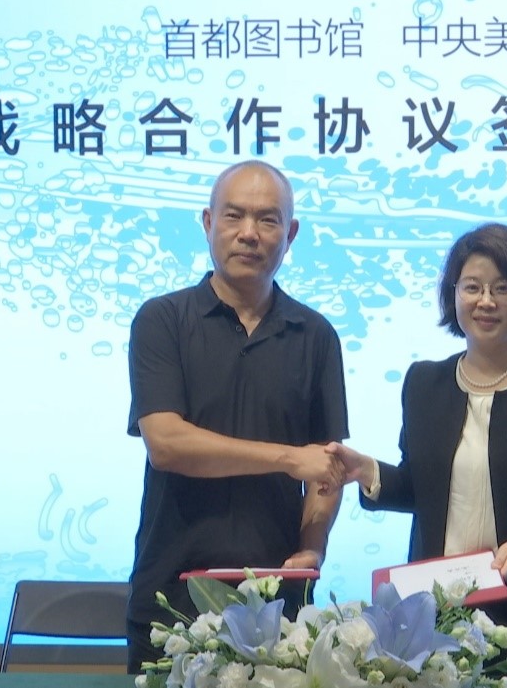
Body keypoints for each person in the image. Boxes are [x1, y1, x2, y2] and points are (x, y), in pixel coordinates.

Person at [332, 223, 507, 674]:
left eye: (503, 288)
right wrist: (368, 472)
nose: (486, 301)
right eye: (472, 287)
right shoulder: (424, 383)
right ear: (454, 295)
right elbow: (427, 487)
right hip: (435, 610)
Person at [124, 160, 349, 673]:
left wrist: (313, 547)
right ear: (208, 223)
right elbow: (167, 444)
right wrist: (287, 458)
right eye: (234, 216)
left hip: (278, 608)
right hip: (171, 601)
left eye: (268, 220)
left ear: (290, 234)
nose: (249, 233)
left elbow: (327, 466)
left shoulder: (316, 335)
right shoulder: (162, 320)